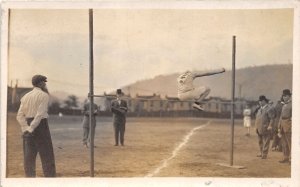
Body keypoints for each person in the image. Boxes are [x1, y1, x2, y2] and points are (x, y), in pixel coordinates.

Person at [16, 74, 56, 177]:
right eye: (44, 82)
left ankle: (30, 180)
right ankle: (50, 180)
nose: (45, 84)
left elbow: (19, 116)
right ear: (40, 83)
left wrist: (26, 128)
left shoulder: (25, 96)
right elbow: (39, 114)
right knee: (47, 155)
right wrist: (32, 128)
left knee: (29, 156)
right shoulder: (44, 95)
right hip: (40, 126)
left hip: (28, 125)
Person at [254, 95, 275, 159]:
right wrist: (256, 126)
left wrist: (270, 125)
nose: (259, 102)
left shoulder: (269, 108)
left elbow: (272, 118)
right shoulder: (259, 109)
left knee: (266, 141)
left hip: (266, 127)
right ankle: (261, 152)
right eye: (259, 101)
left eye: (261, 101)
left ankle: (264, 154)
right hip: (259, 127)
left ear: (264, 101)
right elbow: (257, 118)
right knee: (260, 141)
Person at [278, 89, 292, 164]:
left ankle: (291, 159)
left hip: (288, 125)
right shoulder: (284, 104)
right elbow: (281, 116)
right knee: (284, 143)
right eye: (283, 96)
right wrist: (279, 126)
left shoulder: (292, 104)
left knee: (290, 143)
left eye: (286, 96)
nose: (284, 97)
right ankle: (285, 157)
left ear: (289, 96)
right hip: (283, 126)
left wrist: (291, 126)